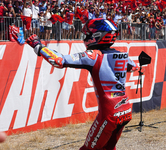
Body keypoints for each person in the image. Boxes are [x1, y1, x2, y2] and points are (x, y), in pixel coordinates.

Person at [25, 18, 138, 150]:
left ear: (96, 36)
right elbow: (134, 66)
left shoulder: (93, 55)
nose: (85, 37)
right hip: (125, 109)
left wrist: (38, 46)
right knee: (108, 147)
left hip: (109, 113)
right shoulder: (122, 55)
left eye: (87, 34)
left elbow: (58, 61)